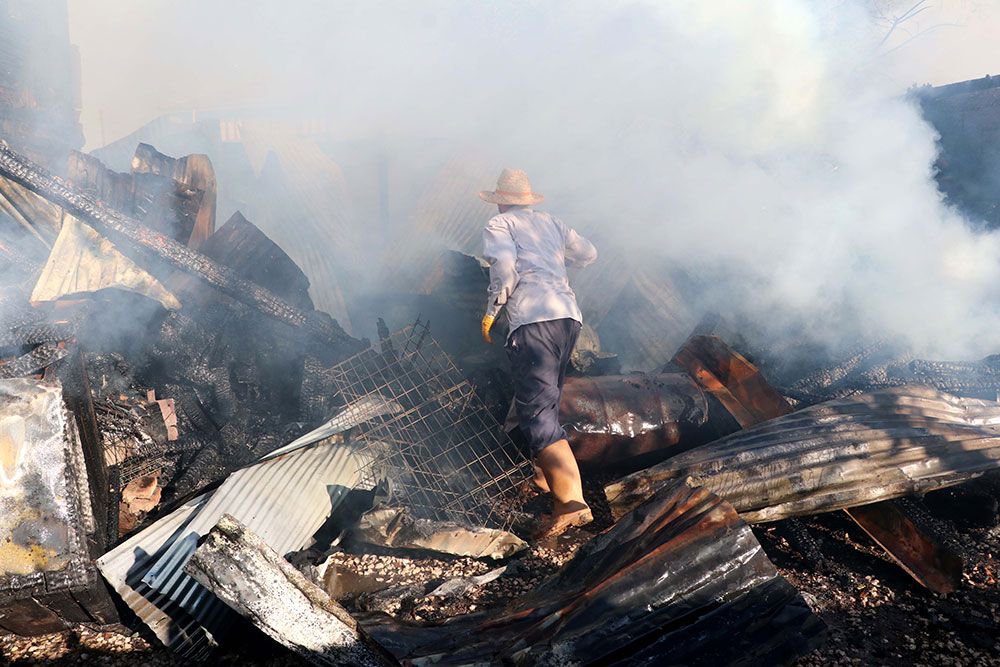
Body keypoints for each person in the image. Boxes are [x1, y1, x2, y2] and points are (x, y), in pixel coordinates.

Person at [479, 168, 598, 538]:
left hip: (533, 320)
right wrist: (564, 263)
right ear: (528, 200)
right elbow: (589, 253)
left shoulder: (499, 226)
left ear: (500, 200)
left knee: (537, 412)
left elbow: (503, 268)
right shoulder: (553, 224)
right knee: (543, 399)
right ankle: (544, 482)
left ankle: (572, 505)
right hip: (568, 318)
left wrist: (491, 310)